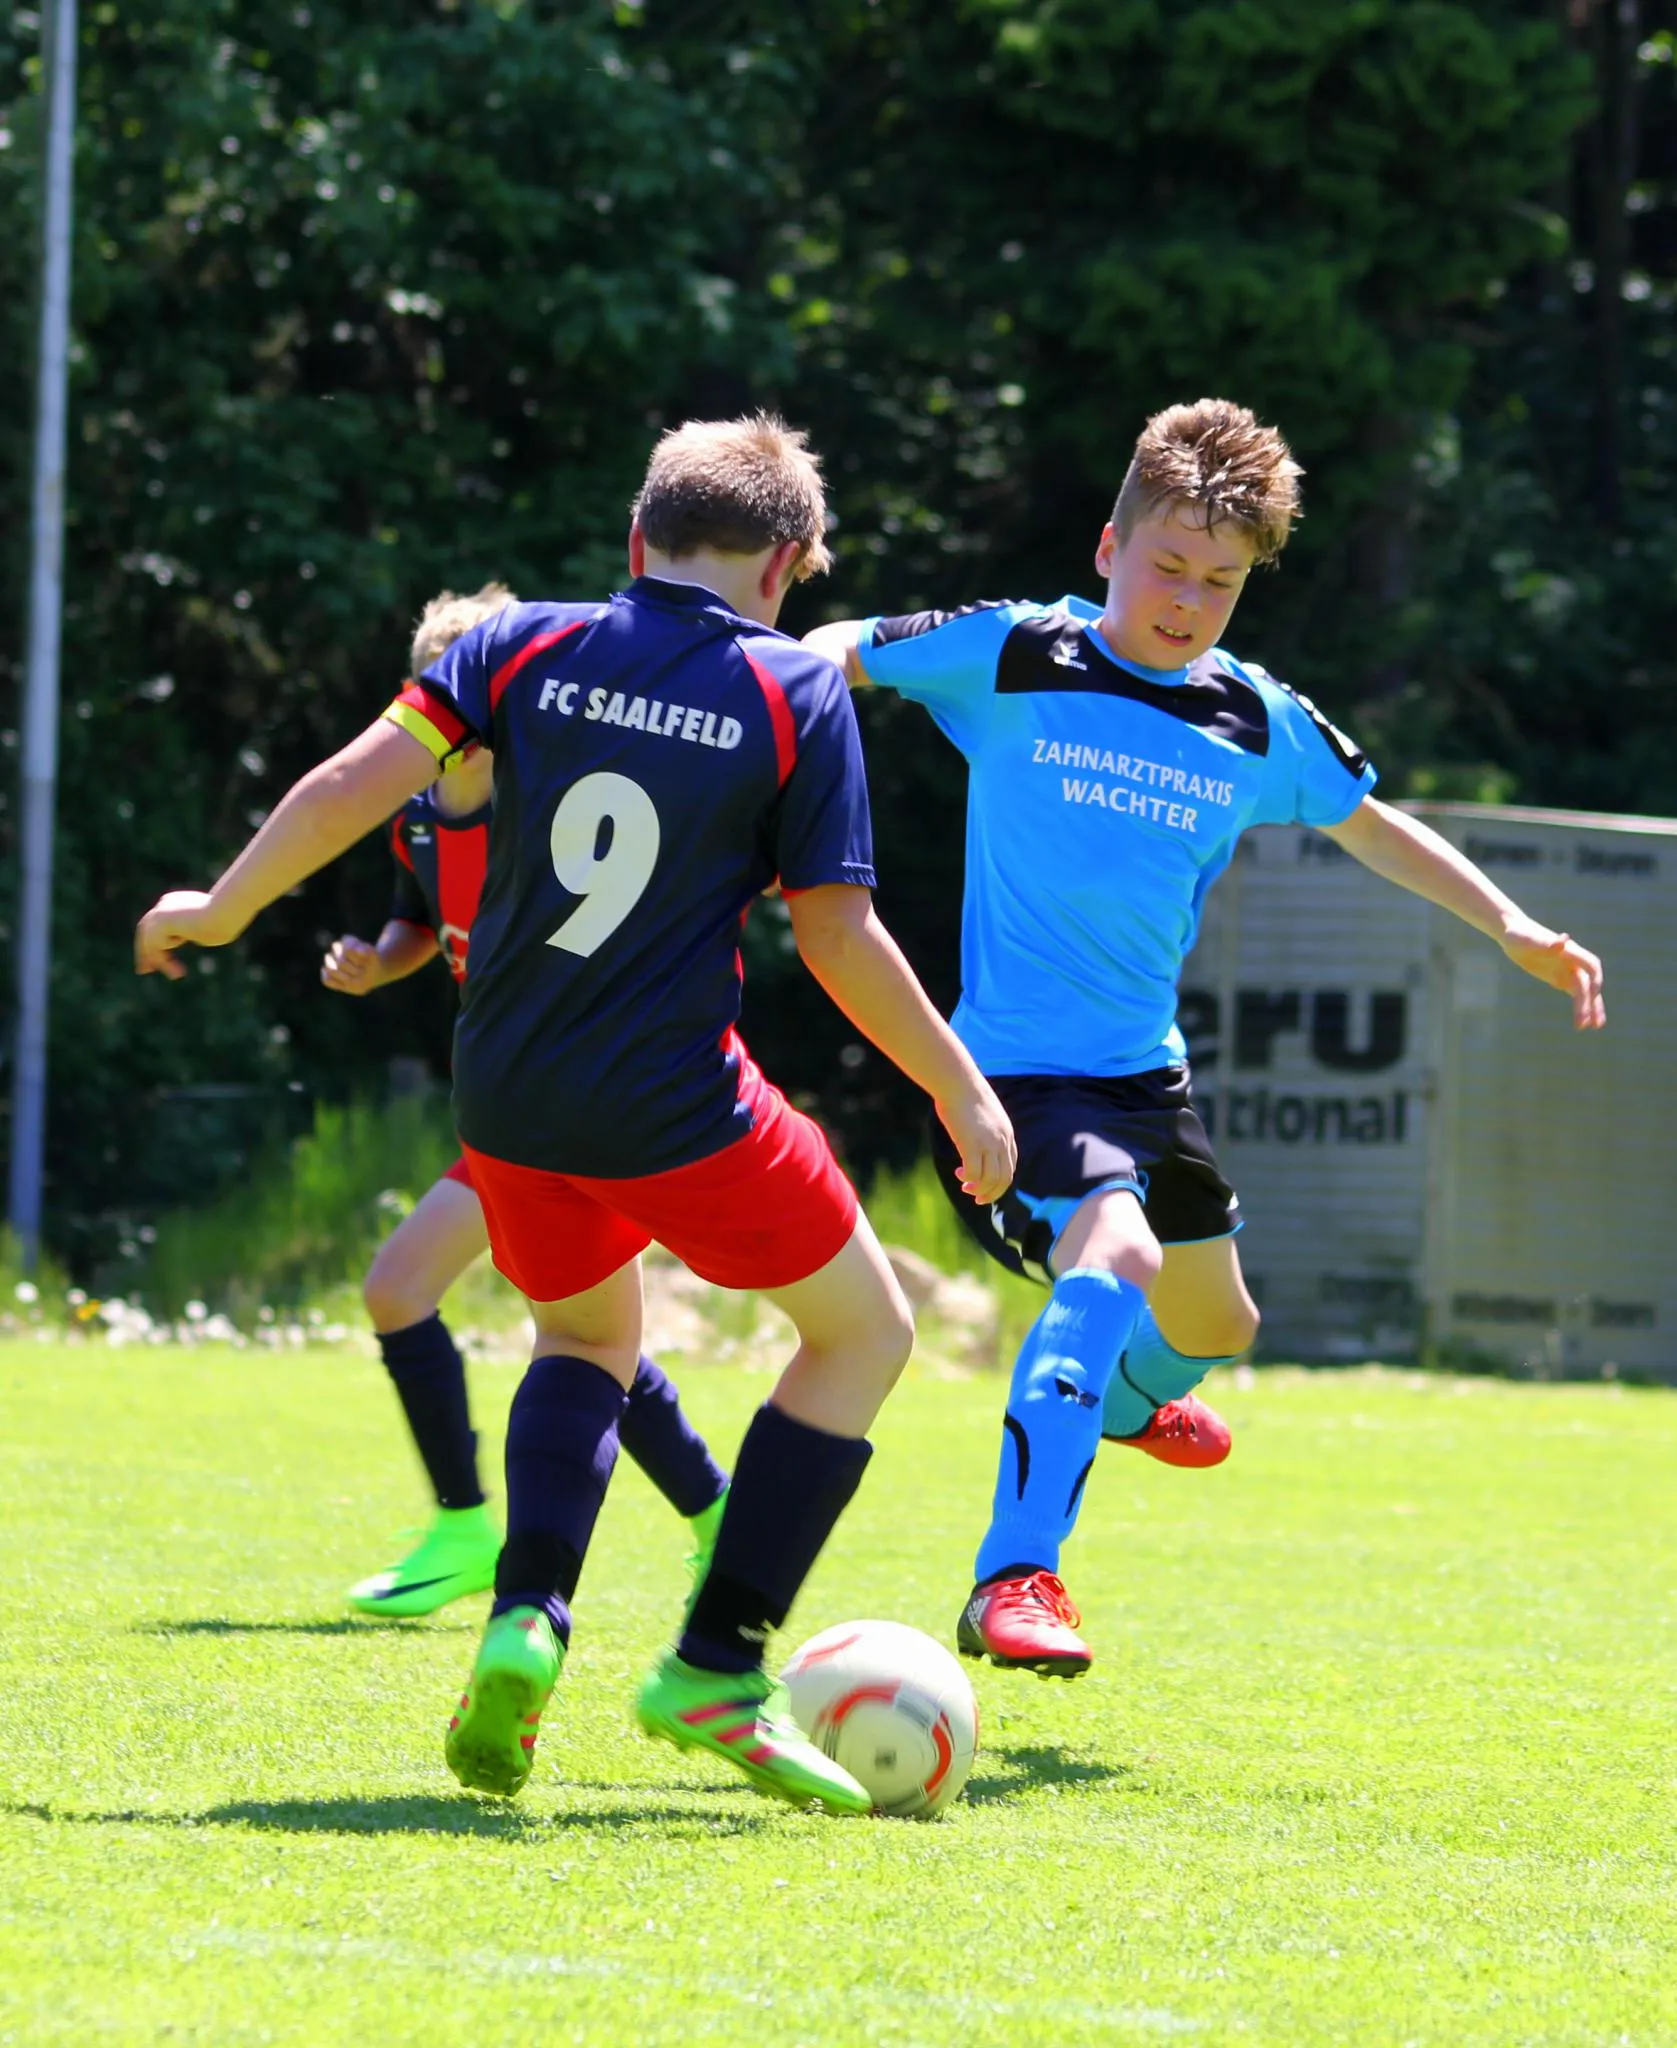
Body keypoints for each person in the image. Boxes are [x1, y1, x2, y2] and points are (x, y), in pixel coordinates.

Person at [136, 413, 1015, 1815]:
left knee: (587, 1337)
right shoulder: (794, 687)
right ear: (786, 563)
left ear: (636, 538)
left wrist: (222, 905)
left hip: (509, 1094)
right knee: (866, 1333)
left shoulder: (515, 643)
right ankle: (715, 1666)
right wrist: (957, 1083)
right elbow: (836, 936)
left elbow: (354, 784)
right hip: (676, 1102)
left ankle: (527, 1618)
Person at [805, 396, 1606, 1679]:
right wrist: (748, 716)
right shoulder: (1015, 651)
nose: (1186, 600)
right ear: (1108, 547)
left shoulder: (1254, 716)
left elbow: (1373, 823)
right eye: (1167, 565)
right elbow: (835, 652)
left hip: (1145, 1077)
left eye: (1219, 582)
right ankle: (1015, 1576)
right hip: (1010, 1076)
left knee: (1219, 1321)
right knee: (1114, 1247)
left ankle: (1115, 1398)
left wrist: (1508, 922)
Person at [323, 584, 729, 1620]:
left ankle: (477, 1530)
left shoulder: (553, 812)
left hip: (585, 1098)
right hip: (513, 1105)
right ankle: (707, 1511)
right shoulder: (416, 818)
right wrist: (379, 959)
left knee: (452, 1299)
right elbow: (419, 921)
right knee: (576, 1333)